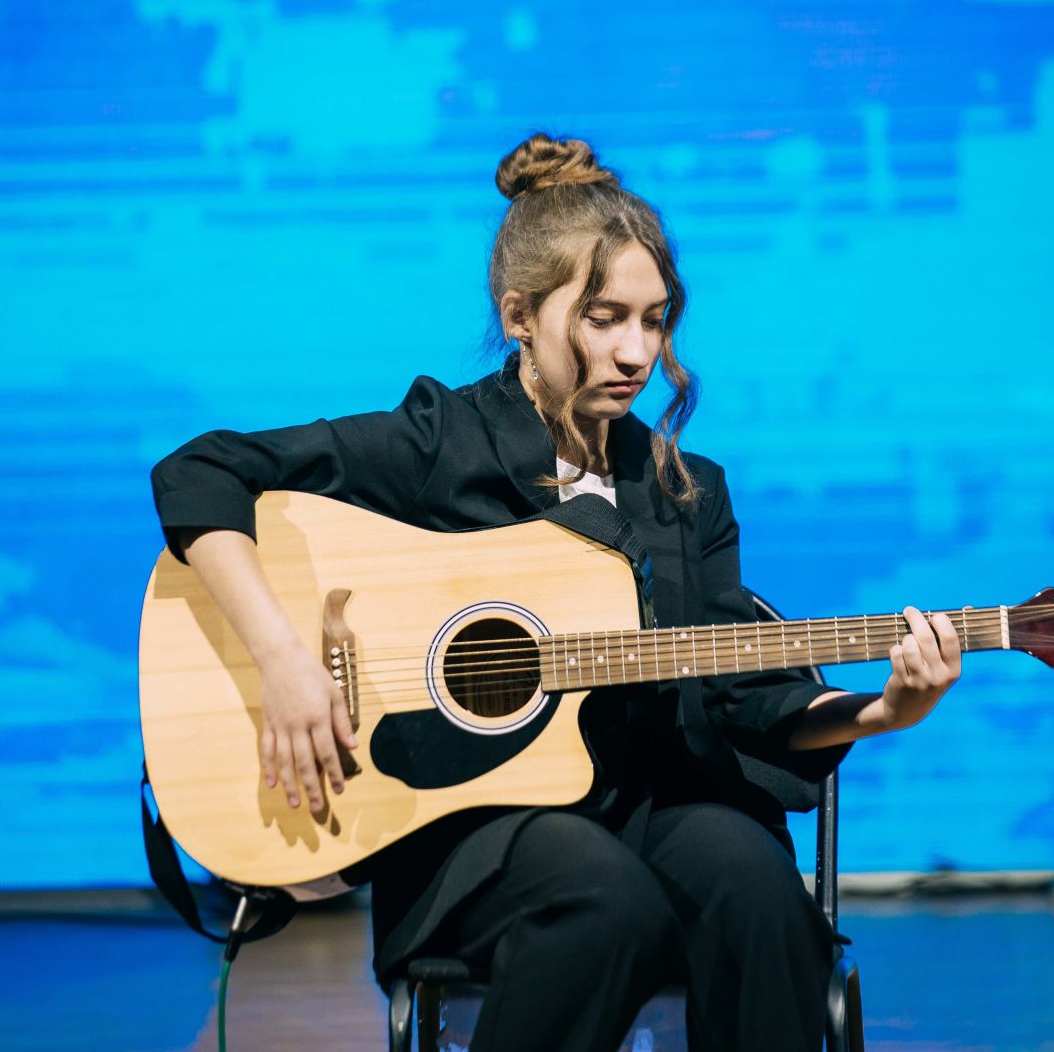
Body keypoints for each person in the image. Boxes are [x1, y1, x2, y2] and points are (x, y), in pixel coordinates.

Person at [150, 133, 962, 1052]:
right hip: (476, 830)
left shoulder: (685, 489)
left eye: (655, 321)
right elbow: (199, 472)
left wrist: (885, 709)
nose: (637, 352)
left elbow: (744, 694)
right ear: (520, 317)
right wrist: (285, 659)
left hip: (651, 806)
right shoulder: (444, 442)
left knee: (759, 889)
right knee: (604, 903)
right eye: (604, 318)